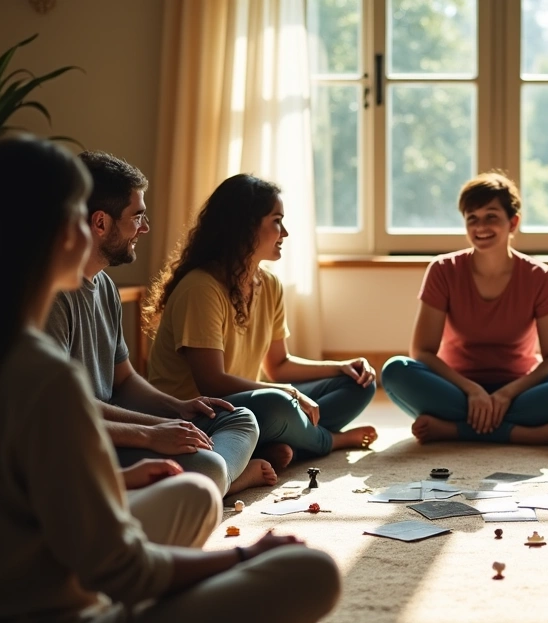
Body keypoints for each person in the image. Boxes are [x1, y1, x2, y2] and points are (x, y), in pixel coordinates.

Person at [0, 134, 340, 623]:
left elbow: (13, 495)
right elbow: (128, 573)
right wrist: (249, 555)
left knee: (194, 493)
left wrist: (123, 476)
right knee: (312, 573)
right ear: (61, 232)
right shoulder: (44, 375)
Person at [46, 151, 273, 497]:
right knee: (209, 463)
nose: (145, 228)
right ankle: (225, 481)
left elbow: (124, 379)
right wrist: (155, 431)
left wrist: (177, 408)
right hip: (90, 439)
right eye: (137, 217)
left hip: (122, 421)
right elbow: (66, 410)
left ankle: (211, 484)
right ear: (101, 223)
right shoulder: (52, 297)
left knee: (240, 418)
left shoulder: (105, 287)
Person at [145, 174, 377, 470]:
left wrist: (341, 366)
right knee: (278, 404)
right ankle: (329, 441)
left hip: (246, 406)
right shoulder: (200, 288)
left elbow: (278, 365)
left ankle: (276, 443)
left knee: (359, 384)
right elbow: (212, 383)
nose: (286, 233)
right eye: (277, 221)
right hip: (201, 415)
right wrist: (288, 392)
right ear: (244, 227)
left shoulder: (268, 284)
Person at [380, 172, 548, 445]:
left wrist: (505, 395)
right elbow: (422, 352)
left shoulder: (540, 276)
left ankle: (453, 429)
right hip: (456, 388)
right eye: (472, 218)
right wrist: (472, 390)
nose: (481, 226)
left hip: (520, 390)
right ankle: (520, 433)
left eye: (491, 216)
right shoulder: (442, 271)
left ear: (512, 222)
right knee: (396, 370)